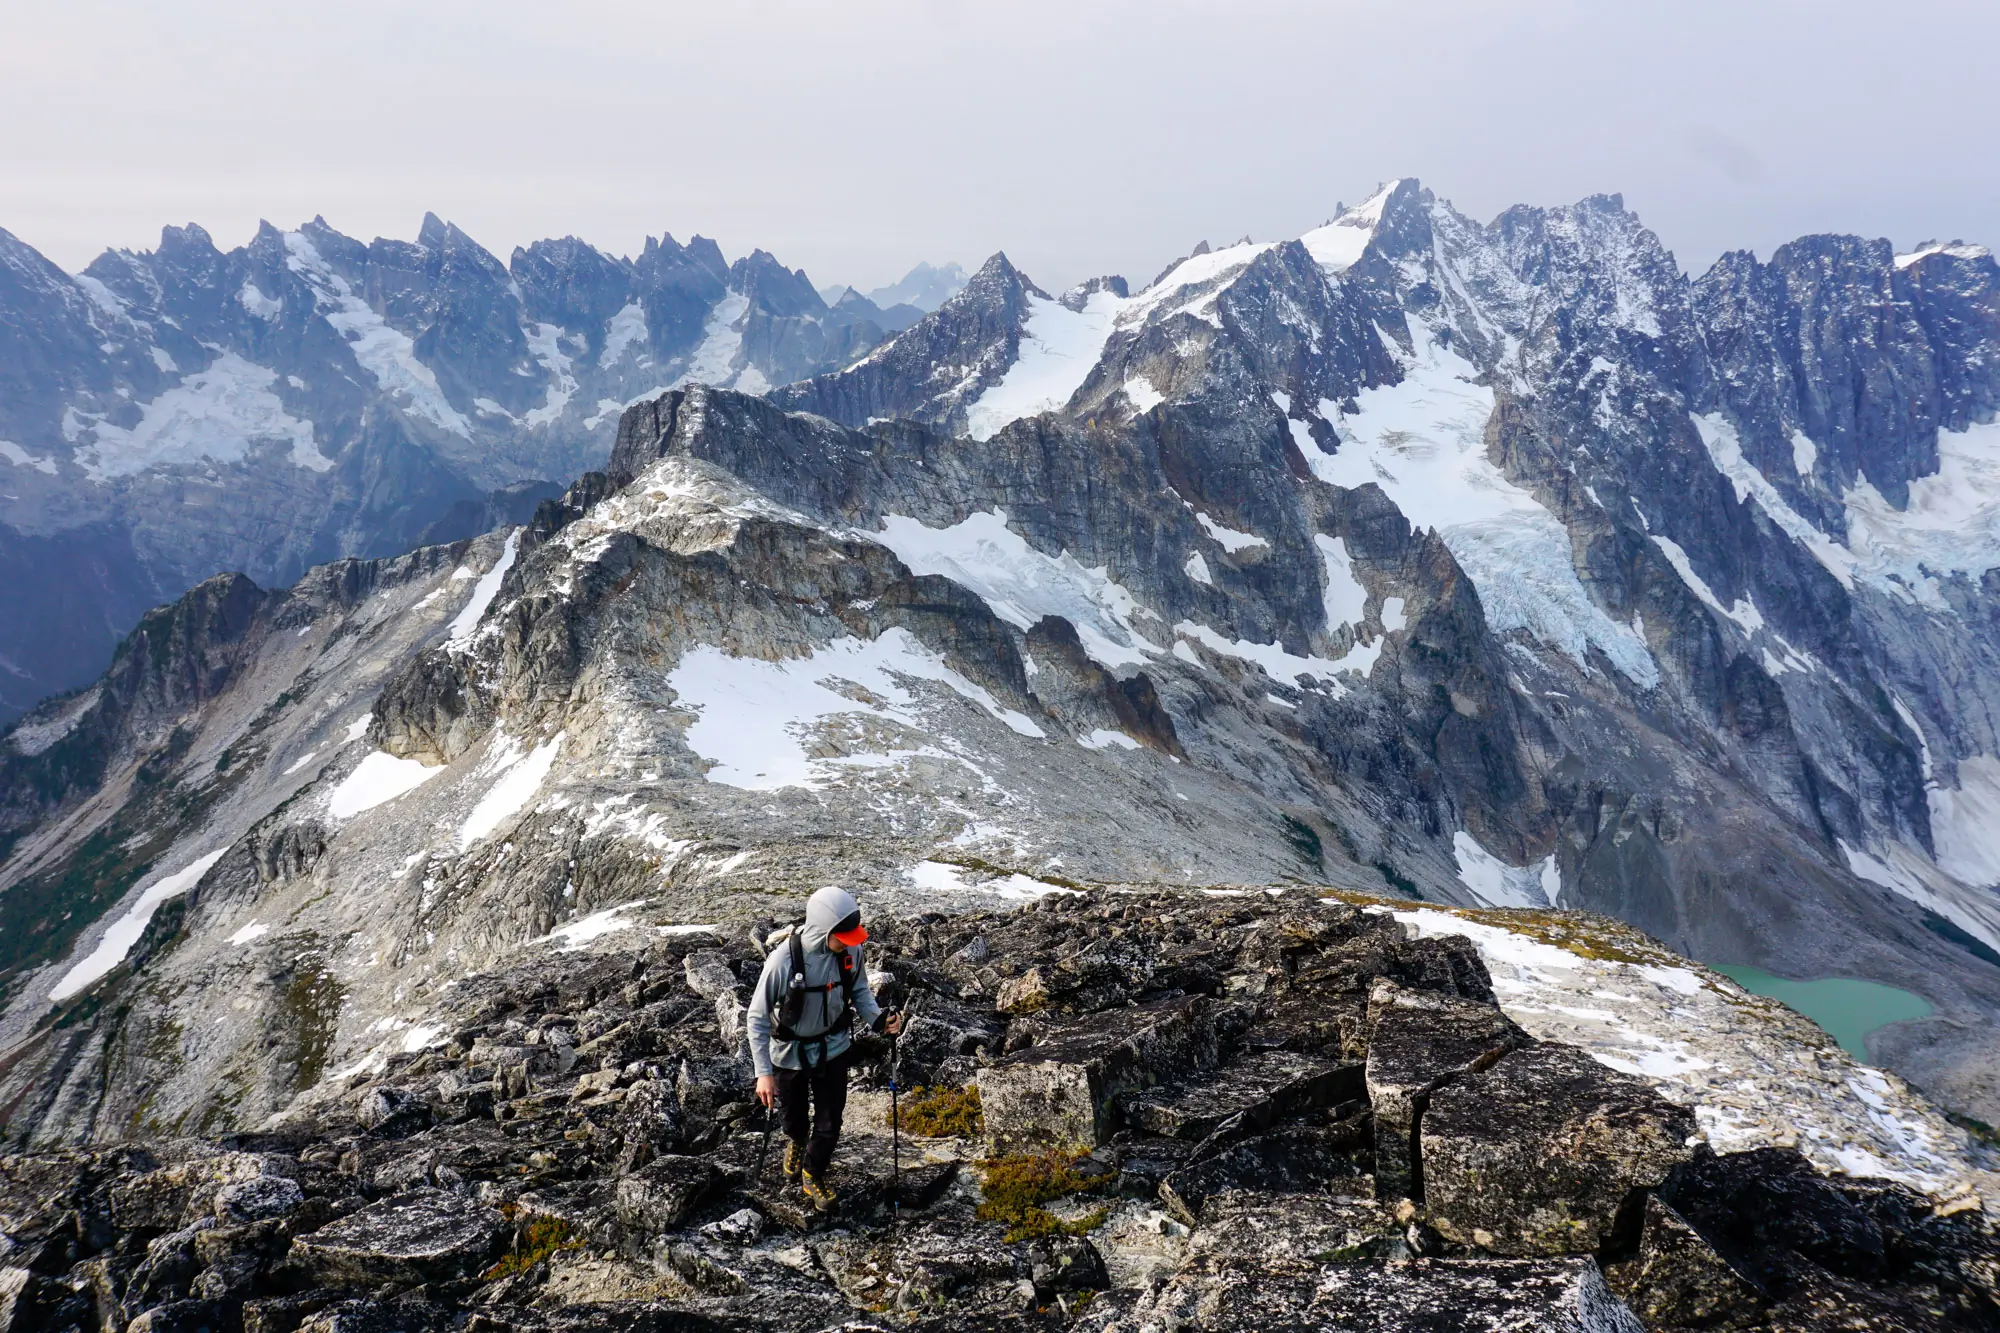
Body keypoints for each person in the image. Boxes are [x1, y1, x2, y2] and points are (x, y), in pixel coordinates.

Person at [744, 885, 901, 1211]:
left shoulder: (850, 952)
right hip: (790, 1056)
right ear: (823, 929)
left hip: (834, 1048)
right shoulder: (782, 962)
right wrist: (763, 1074)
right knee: (794, 1120)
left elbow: (859, 990)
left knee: (831, 1122)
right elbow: (756, 1018)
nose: (851, 942)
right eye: (843, 935)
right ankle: (797, 1141)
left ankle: (812, 1172)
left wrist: (879, 1021)